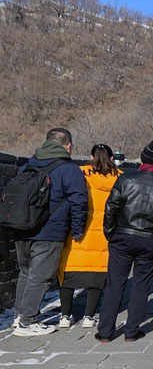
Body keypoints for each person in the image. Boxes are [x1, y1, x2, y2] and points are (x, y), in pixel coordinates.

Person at [96, 140, 153, 343]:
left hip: (122, 237)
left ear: (143, 159)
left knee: (115, 284)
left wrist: (110, 232)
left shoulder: (126, 179)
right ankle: (131, 331)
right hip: (152, 241)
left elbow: (111, 208)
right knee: (141, 286)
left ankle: (106, 332)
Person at [10, 128, 88, 337]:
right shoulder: (69, 169)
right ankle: (28, 322)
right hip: (50, 231)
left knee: (26, 273)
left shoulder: (28, 165)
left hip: (22, 227)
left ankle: (19, 316)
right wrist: (78, 230)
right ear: (68, 146)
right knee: (41, 277)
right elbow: (79, 201)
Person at [56, 144, 122, 329]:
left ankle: (65, 316)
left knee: (68, 273)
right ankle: (89, 317)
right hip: (104, 234)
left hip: (78, 231)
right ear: (111, 158)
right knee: (97, 275)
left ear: (91, 155)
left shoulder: (79, 172)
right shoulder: (120, 177)